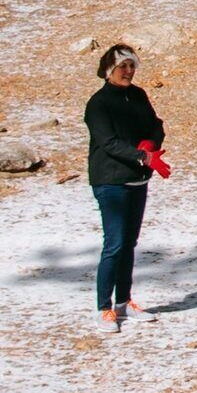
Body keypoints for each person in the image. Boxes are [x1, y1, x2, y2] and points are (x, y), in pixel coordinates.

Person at [82, 44, 164, 329]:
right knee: (114, 243)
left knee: (129, 243)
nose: (128, 72)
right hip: (111, 181)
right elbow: (109, 142)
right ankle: (104, 307)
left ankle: (123, 302)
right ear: (109, 70)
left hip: (137, 179)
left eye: (132, 66)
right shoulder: (98, 104)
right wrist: (141, 155)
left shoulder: (138, 95)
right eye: (123, 67)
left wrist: (151, 144)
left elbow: (156, 125)